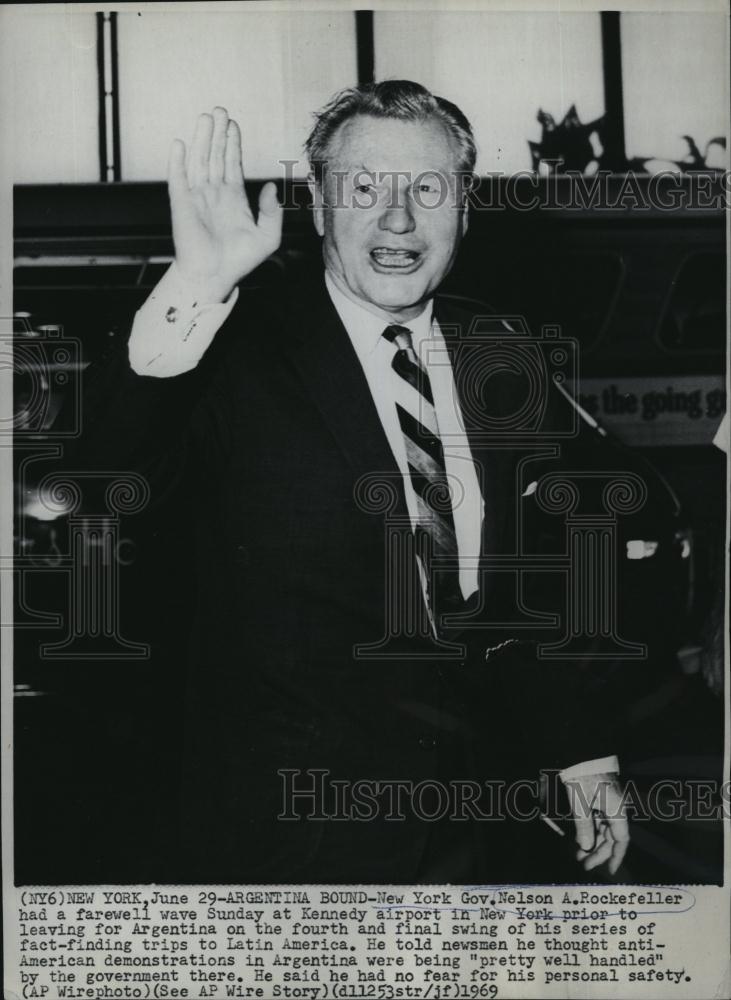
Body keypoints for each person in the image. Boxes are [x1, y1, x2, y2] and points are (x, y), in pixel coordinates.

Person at [76, 81, 629, 883]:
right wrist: (195, 288)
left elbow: (523, 591)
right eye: (363, 188)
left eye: (428, 189)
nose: (397, 219)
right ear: (317, 203)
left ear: (465, 207)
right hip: (294, 843)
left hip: (486, 838)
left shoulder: (500, 354)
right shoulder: (232, 348)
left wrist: (579, 754)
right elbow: (100, 488)